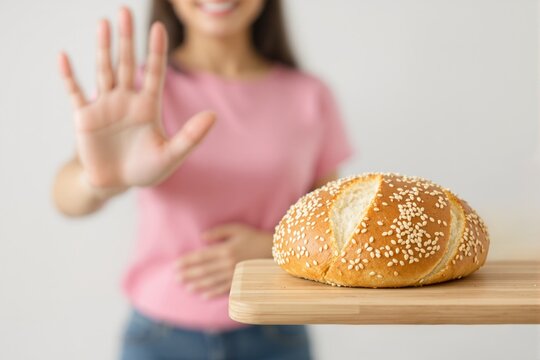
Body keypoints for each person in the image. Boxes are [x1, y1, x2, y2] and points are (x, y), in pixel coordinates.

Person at [53, 0, 353, 359]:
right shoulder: (139, 91)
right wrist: (98, 181)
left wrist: (271, 249)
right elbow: (66, 197)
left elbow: (337, 230)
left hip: (276, 332)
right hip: (159, 338)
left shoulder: (310, 95)